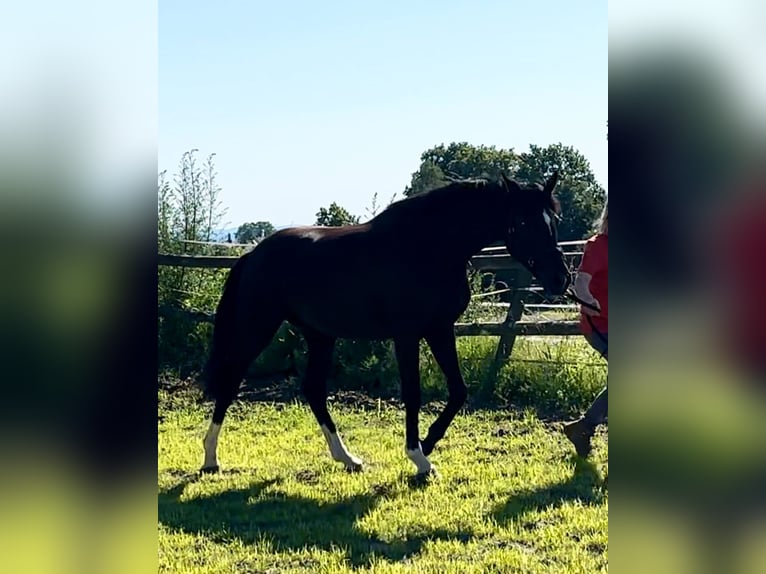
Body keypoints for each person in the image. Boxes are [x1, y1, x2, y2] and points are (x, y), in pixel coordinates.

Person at [563, 201, 608, 457]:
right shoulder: (597, 246)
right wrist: (585, 299)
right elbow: (582, 281)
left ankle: (584, 427)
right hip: (600, 324)